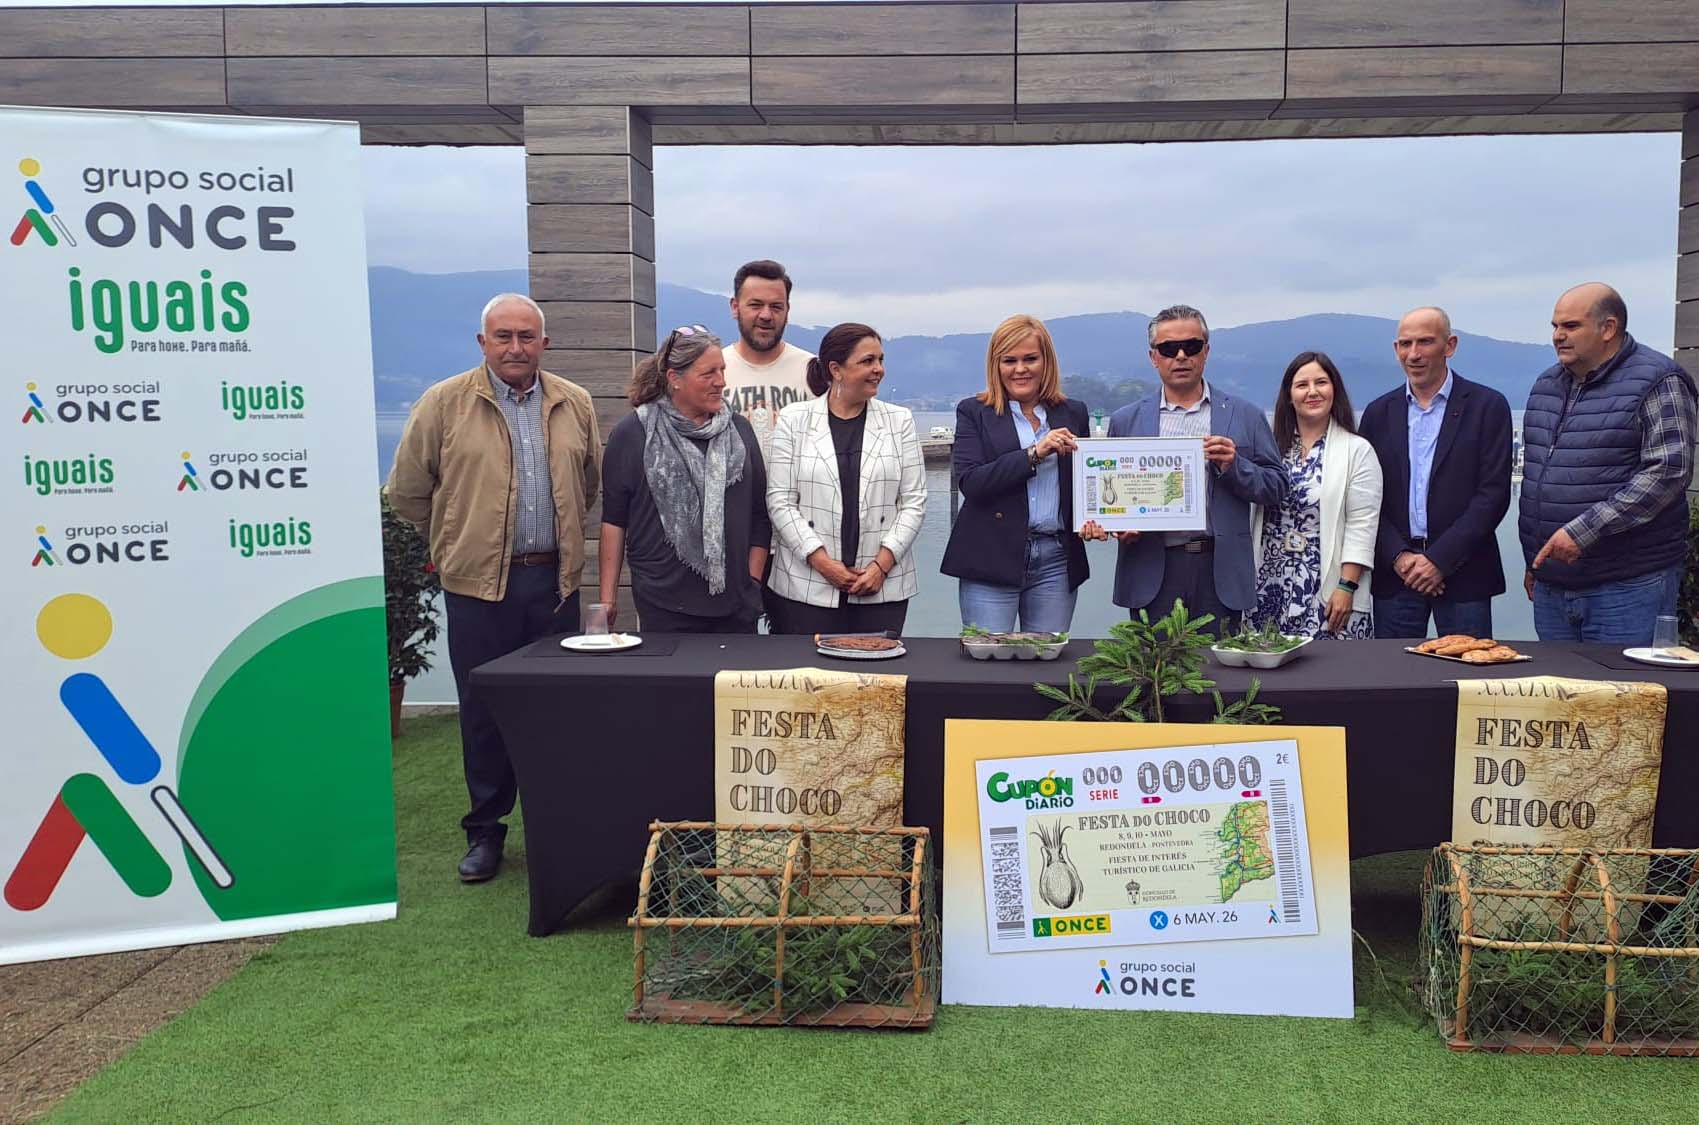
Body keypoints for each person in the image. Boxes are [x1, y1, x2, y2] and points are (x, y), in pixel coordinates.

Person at [387, 293, 601, 883]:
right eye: (503, 336)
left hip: (554, 585)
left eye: (526, 337)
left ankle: (555, 829)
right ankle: (485, 832)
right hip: (478, 588)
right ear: (482, 342)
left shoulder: (573, 403)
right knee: (483, 712)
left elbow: (587, 485)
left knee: (554, 713)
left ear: (544, 343)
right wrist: (455, 539)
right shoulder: (445, 403)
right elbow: (407, 491)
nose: (515, 347)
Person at [1087, 305, 1287, 636]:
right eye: (1168, 349)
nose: (1181, 355)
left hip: (1219, 569)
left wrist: (1234, 465)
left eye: (1191, 346)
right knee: (1154, 677)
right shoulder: (1126, 420)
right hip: (1152, 569)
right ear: (1154, 357)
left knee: (1222, 680)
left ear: (1206, 352)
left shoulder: (1245, 415)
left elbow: (1277, 486)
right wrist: (1117, 525)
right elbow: (1112, 497)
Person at [1520, 283, 1697, 644]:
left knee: (1626, 696)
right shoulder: (1546, 386)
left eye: (1570, 326)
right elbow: (1541, 478)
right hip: (1553, 585)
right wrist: (1534, 561)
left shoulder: (1658, 380)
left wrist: (1583, 531)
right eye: (1554, 326)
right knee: (1560, 696)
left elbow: (1668, 472)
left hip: (1628, 587)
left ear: (1609, 328)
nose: (1558, 336)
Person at [599, 325, 769, 634]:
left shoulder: (740, 432)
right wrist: (607, 598)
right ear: (675, 379)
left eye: (721, 370)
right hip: (663, 604)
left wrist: (753, 582)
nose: (721, 382)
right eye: (708, 374)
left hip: (735, 605)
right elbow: (614, 520)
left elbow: (759, 515)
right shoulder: (633, 434)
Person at [1358, 307, 1513, 639]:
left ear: (1450, 345)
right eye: (1405, 344)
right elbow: (1367, 498)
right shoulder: (1377, 414)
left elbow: (1493, 495)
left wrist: (1439, 560)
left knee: (1468, 679)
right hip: (1396, 576)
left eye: (1425, 342)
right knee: (1395, 680)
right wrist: (1399, 556)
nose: (1413, 354)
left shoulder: (1488, 407)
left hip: (1464, 573)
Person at [765, 322, 927, 635]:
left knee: (876, 681)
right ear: (836, 370)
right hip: (805, 585)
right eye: (867, 361)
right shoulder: (794, 420)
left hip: (882, 586)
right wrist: (823, 563)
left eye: (880, 360)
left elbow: (914, 502)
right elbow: (780, 501)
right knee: (806, 679)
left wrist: (881, 565)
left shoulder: (900, 420)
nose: (878, 369)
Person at [941, 314, 1090, 633]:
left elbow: (1087, 486)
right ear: (995, 365)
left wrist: (1103, 521)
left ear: (1046, 361)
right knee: (989, 667)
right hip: (990, 557)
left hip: (1057, 560)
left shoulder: (1074, 412)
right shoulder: (973, 411)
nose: (1020, 369)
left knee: (1047, 665)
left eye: (1030, 359)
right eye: (1009, 360)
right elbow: (972, 482)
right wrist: (1034, 454)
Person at [1250, 352, 1383, 638]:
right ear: (1289, 396)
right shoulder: (1270, 449)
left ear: (1334, 389)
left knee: (1332, 677)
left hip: (1329, 591)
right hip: (1268, 585)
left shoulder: (1357, 451)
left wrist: (1347, 587)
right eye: (1302, 385)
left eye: (1321, 382)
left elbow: (1363, 525)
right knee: (1267, 676)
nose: (1312, 392)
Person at [722, 259, 817, 466]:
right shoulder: (714, 371)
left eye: (776, 307)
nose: (766, 315)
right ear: (735, 307)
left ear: (787, 311)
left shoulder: (813, 370)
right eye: (755, 305)